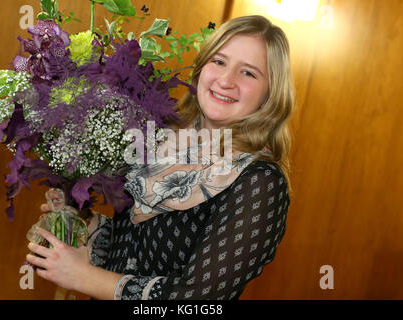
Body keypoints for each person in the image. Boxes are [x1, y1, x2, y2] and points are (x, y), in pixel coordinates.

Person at [26, 15, 295, 300]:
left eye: (248, 73)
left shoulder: (260, 183)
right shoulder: (160, 137)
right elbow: (128, 251)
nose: (226, 80)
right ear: (201, 66)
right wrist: (81, 223)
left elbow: (194, 300)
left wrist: (83, 277)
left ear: (270, 94)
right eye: (219, 61)